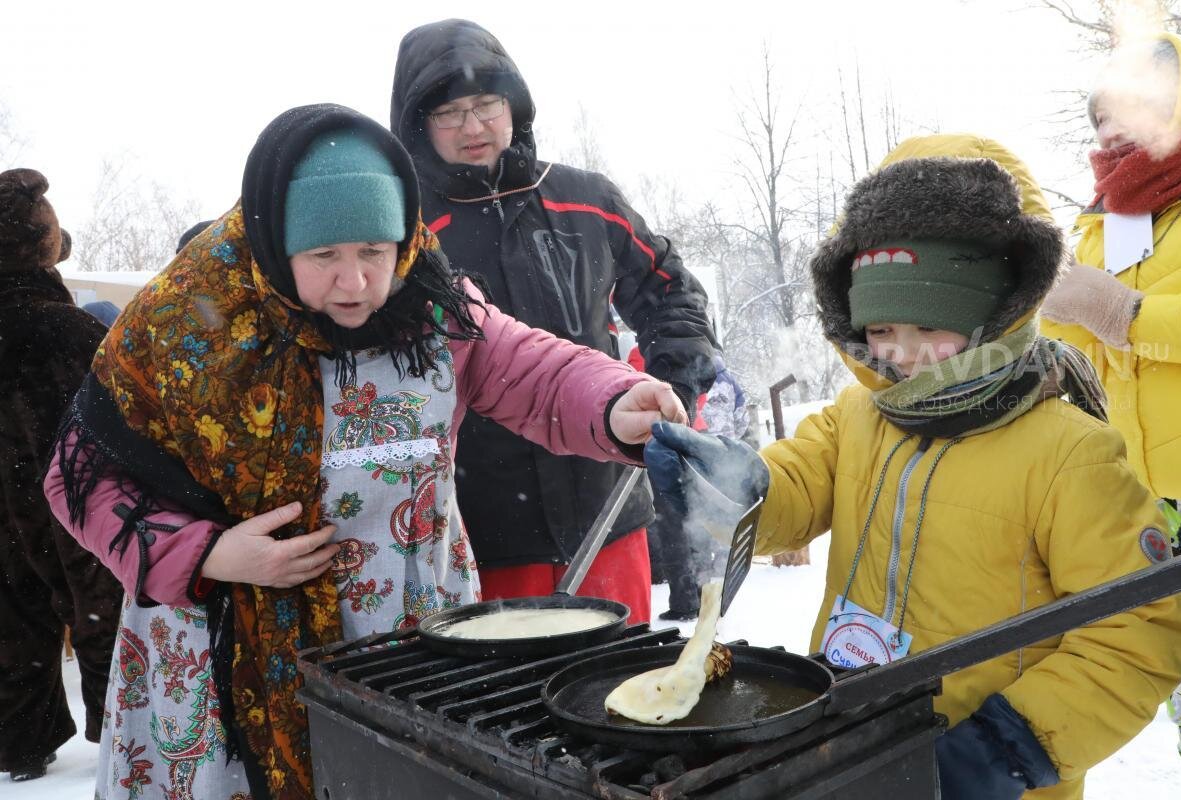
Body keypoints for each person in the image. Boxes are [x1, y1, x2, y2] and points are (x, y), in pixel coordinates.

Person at [43, 104, 684, 800]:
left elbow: (529, 368)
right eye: (324, 257)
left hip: (413, 644)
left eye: (375, 253)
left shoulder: (429, 303)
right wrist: (208, 554)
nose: (355, 283)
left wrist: (616, 402)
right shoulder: (184, 322)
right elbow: (82, 480)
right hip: (219, 655)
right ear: (275, 242)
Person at [644, 155, 1181, 800]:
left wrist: (1011, 747)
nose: (902, 353)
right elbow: (790, 491)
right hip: (851, 738)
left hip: (985, 764)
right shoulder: (858, 416)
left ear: (994, 318)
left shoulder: (1070, 452)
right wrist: (729, 484)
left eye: (929, 327)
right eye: (880, 331)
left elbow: (1136, 629)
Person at [390, 19, 718, 624]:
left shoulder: (584, 199)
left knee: (620, 693)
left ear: (514, 105)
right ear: (416, 125)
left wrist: (676, 382)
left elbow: (670, 291)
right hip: (482, 535)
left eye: (487, 104)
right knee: (499, 707)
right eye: (449, 112)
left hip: (608, 511)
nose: (473, 126)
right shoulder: (401, 236)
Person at [1038, 33, 1181, 793]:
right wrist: (1052, 304)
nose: (1109, 131)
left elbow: (1126, 322)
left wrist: (1125, 313)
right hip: (1156, 501)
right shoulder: (1107, 222)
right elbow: (1085, 340)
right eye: (1099, 117)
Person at [0, 168, 122, 781]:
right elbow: (125, 409)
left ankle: (21, 742)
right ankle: (121, 730)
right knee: (99, 603)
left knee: (12, 617)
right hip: (74, 493)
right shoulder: (72, 328)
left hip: (6, 510)